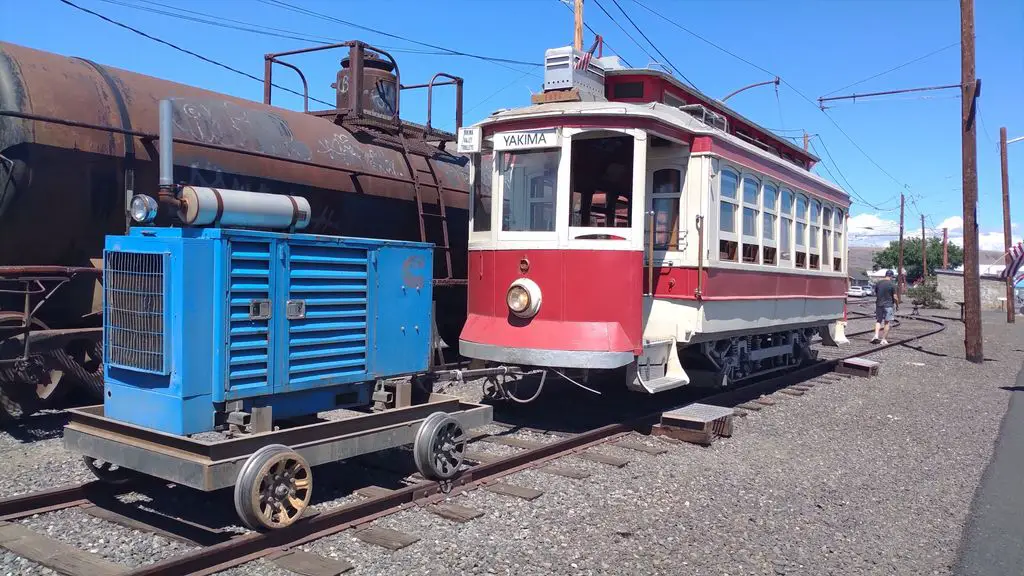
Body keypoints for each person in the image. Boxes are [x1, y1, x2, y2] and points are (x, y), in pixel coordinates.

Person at [871, 270, 898, 345]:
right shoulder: (892, 284)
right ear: (891, 276)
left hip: (879, 304)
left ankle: (876, 336)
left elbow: (876, 293)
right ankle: (883, 339)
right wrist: (897, 304)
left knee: (878, 320)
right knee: (887, 322)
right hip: (888, 305)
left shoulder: (879, 283)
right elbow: (895, 297)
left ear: (885, 275)